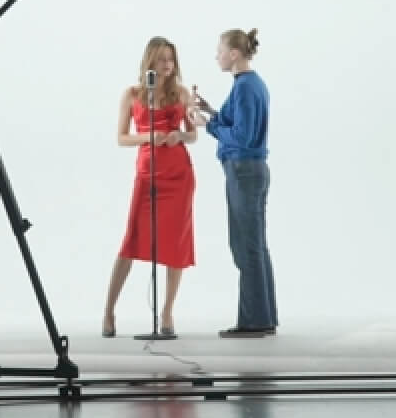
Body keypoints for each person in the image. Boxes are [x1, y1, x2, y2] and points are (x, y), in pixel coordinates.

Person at [102, 36, 197, 338]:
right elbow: (121, 138)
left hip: (178, 175)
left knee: (174, 245)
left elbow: (192, 135)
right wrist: (149, 137)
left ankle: (167, 313)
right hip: (147, 174)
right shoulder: (131, 94)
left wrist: (178, 136)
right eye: (161, 59)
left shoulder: (181, 93)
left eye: (171, 59)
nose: (167, 65)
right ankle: (108, 311)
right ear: (149, 62)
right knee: (131, 241)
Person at [191, 28, 278, 337]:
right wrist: (209, 111)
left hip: (243, 169)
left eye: (220, 50)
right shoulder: (250, 85)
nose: (217, 55)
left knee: (245, 245)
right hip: (251, 169)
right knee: (255, 244)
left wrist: (208, 125)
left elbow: (241, 136)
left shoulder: (244, 87)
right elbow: (240, 125)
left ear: (234, 54)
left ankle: (254, 321)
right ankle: (264, 317)